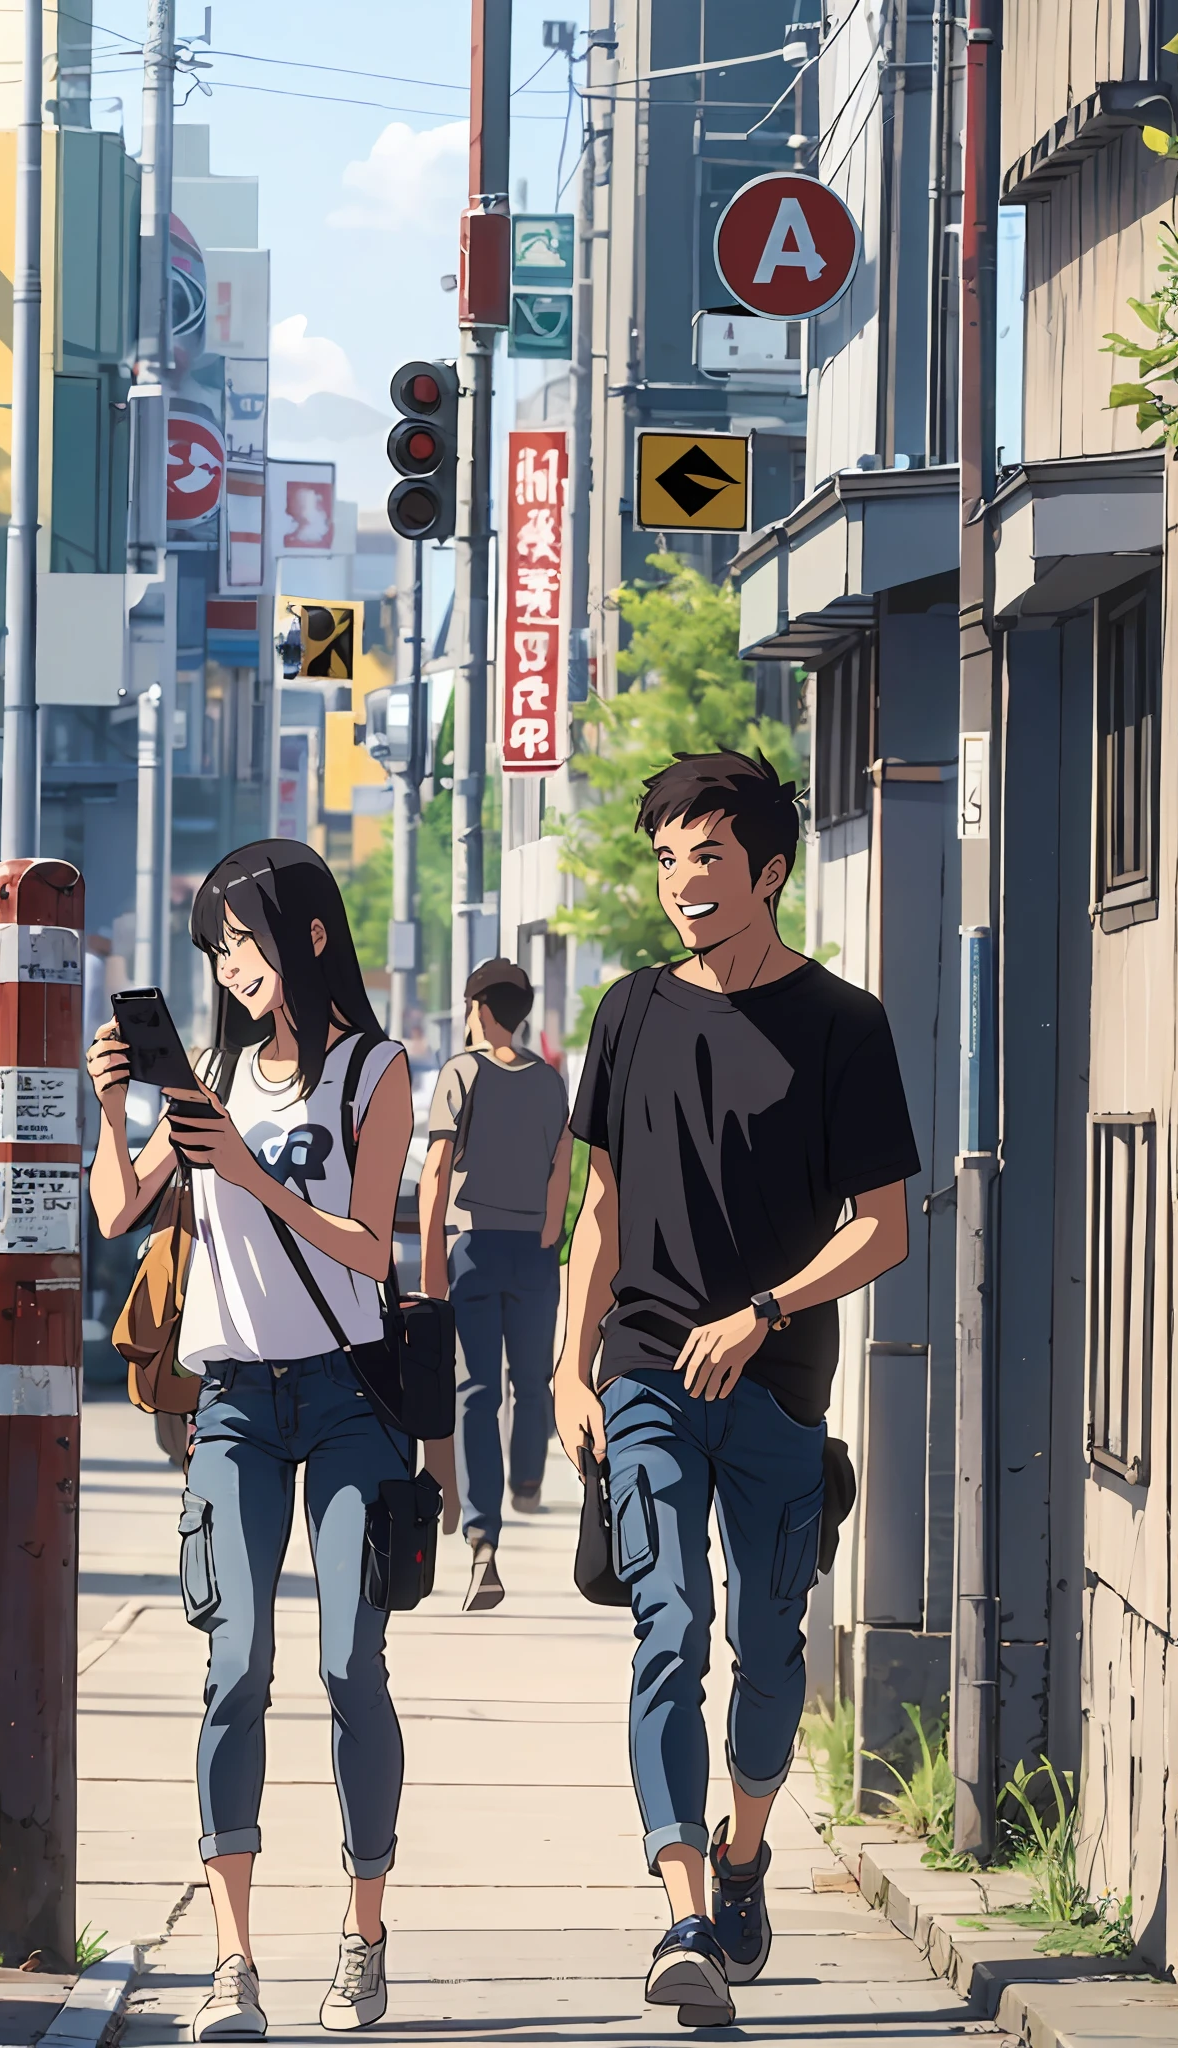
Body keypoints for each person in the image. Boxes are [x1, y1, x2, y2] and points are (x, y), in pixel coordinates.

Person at [552, 750, 920, 2028]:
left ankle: (746, 1850)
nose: (682, 883)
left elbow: (885, 1227)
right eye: (665, 860)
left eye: (706, 857)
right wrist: (567, 1362)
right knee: (668, 1630)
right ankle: (684, 1915)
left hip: (778, 1390)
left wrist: (763, 1311)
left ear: (767, 869)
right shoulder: (626, 1012)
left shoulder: (842, 1024)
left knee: (771, 1655)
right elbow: (598, 1207)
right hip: (645, 1369)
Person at [87, 840, 448, 2042]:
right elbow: (114, 1207)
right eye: (215, 949)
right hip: (232, 1399)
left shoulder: (373, 1071)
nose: (231, 964)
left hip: (346, 1398)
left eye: (244, 939)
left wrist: (248, 1172)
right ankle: (233, 1962)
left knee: (350, 1663)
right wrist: (114, 1108)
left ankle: (363, 1931)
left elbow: (370, 1249)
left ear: (304, 933)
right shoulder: (213, 1080)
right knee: (234, 1666)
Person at [418, 958, 571, 1611]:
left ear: (481, 1008)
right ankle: (529, 1479)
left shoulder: (461, 1072)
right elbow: (563, 1164)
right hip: (533, 1249)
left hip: (473, 1246)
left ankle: (484, 1537)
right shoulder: (550, 1082)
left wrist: (430, 1266)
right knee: (529, 1380)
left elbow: (435, 1172)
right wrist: (549, 1234)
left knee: (477, 1391)